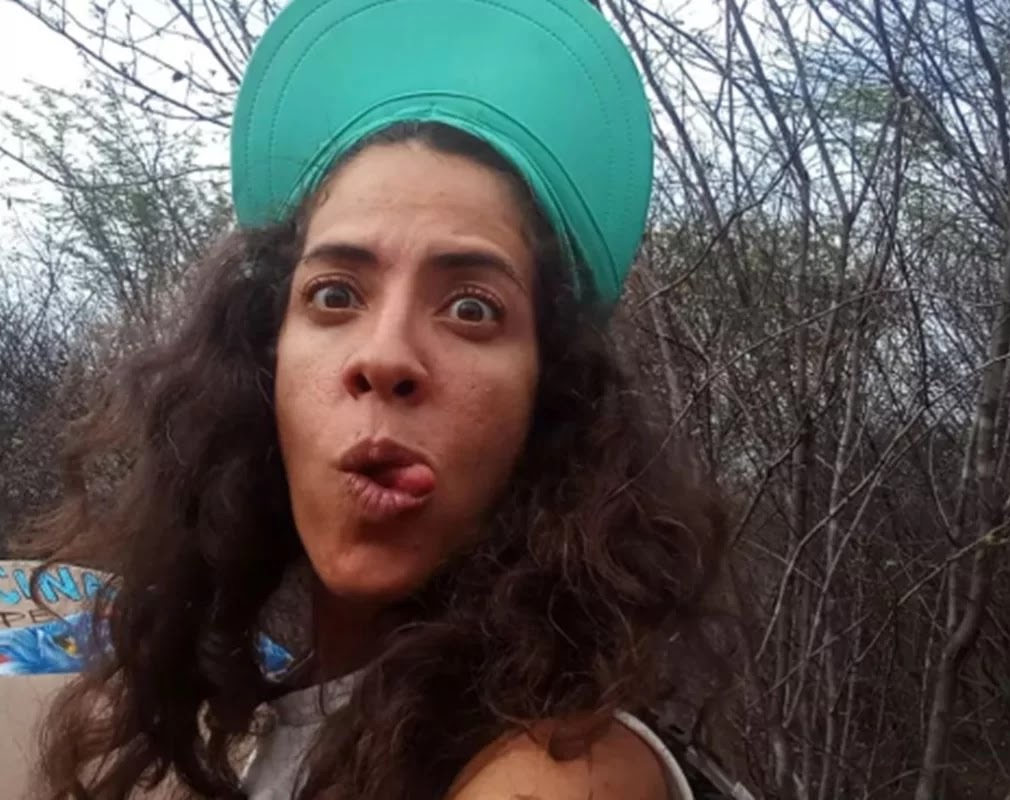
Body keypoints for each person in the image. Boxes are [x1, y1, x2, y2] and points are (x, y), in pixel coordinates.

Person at [21, 0, 727, 798]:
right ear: (262, 368)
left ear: (549, 405)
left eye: (472, 308)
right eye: (334, 294)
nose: (385, 357)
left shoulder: (558, 770)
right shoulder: (281, 727)